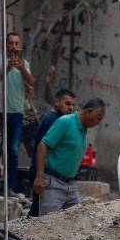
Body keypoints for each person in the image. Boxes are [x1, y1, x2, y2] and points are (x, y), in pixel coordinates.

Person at [33, 98, 105, 215]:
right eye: (98, 118)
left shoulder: (83, 130)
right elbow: (43, 146)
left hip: (70, 185)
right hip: (53, 183)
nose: (98, 123)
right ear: (89, 112)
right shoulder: (66, 122)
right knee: (49, 225)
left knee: (77, 222)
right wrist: (39, 176)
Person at [29, 89, 77, 217]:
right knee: (41, 215)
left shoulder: (58, 119)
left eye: (73, 105)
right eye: (67, 104)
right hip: (44, 175)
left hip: (44, 174)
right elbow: (43, 148)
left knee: (37, 211)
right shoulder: (53, 120)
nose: (71, 108)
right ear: (57, 102)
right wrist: (40, 176)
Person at [2, 32, 34, 195]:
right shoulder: (0, 61)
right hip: (0, 111)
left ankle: (10, 187)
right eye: (10, 43)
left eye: (16, 43)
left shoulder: (24, 64)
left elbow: (31, 82)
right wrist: (8, 67)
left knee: (13, 151)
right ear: (6, 44)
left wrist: (21, 68)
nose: (13, 46)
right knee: (0, 150)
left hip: (17, 112)